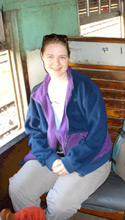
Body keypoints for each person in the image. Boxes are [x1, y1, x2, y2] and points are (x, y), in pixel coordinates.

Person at [8, 33, 112, 220]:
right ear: (42, 56)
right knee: (18, 188)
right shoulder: (38, 93)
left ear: (68, 58)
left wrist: (71, 162)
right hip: (54, 155)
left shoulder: (85, 88)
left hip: (90, 157)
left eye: (62, 57)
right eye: (50, 56)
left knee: (57, 205)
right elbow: (35, 133)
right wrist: (50, 159)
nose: (56, 63)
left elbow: (98, 134)